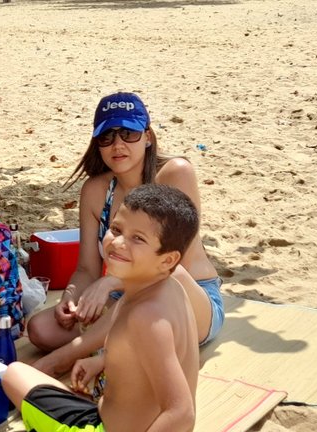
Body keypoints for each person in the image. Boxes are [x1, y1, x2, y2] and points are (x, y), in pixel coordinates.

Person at [2, 184, 201, 432]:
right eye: (117, 230)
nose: (118, 243)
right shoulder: (166, 286)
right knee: (77, 382)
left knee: (15, 374)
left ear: (167, 259)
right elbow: (159, 354)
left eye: (138, 239)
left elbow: (181, 410)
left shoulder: (145, 316)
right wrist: (103, 361)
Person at [27, 91, 224, 375]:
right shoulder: (96, 191)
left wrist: (110, 283)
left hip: (188, 298)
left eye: (128, 133)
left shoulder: (173, 173)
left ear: (147, 137)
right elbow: (86, 269)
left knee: (163, 272)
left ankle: (61, 360)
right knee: (41, 329)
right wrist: (71, 297)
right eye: (107, 137)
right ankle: (113, 347)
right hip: (127, 297)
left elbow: (172, 264)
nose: (118, 144)